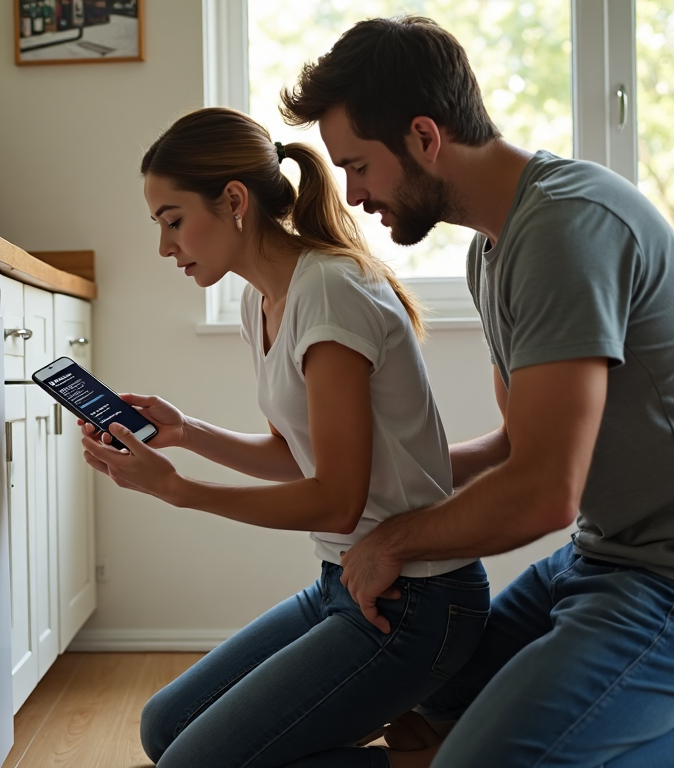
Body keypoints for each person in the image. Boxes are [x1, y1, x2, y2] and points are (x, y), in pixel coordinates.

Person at [277, 15, 674, 768]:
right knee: (437, 688)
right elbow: (514, 445)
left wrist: (395, 540)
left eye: (359, 166)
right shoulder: (490, 252)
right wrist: (386, 489)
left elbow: (542, 491)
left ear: (425, 138)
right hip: (600, 557)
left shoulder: (566, 229)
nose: (353, 194)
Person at [78, 107, 490, 768]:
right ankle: (397, 727)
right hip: (345, 581)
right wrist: (187, 432)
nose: (164, 247)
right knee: (165, 727)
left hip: (416, 602)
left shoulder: (328, 293)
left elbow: (335, 501)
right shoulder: (262, 297)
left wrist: (180, 492)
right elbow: (293, 456)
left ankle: (442, 760)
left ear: (234, 201)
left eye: (173, 221)